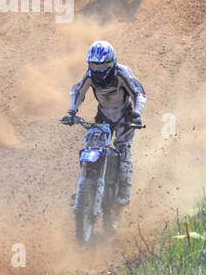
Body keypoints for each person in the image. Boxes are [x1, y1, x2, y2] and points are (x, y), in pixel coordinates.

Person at [61, 41, 146, 218]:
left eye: (102, 65)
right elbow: (78, 92)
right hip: (103, 116)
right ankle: (85, 184)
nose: (98, 70)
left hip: (125, 116)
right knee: (91, 148)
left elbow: (138, 92)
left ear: (112, 62)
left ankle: (123, 192)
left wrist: (137, 112)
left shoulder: (122, 73)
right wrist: (71, 112)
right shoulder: (90, 76)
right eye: (94, 65)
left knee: (123, 149)